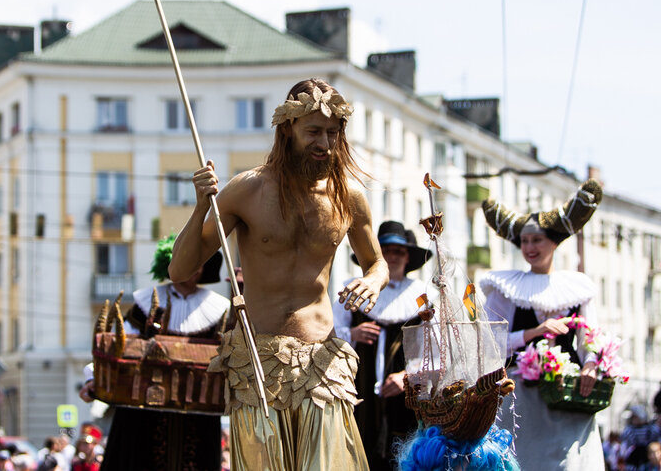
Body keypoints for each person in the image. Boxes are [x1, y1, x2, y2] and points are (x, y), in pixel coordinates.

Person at [170, 78, 389, 470]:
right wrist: (202, 206)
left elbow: (377, 261)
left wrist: (372, 280)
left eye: (333, 133)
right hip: (258, 361)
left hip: (322, 360)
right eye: (314, 132)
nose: (325, 143)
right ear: (287, 129)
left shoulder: (348, 197)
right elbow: (180, 269)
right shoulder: (248, 189)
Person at [480, 178, 605, 469]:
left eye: (537, 240)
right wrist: (534, 332)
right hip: (522, 399)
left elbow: (591, 337)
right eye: (524, 241)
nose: (530, 247)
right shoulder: (506, 287)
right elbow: (490, 342)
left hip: (568, 396)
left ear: (554, 241)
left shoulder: (577, 286)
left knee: (570, 461)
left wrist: (590, 365)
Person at [80, 235, 229, 471]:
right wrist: (93, 378)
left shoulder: (221, 309)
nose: (191, 267)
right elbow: (121, 346)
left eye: (196, 261)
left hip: (198, 411)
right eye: (184, 259)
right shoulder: (144, 303)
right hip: (143, 411)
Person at [332, 220, 431, 470]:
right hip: (358, 389)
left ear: (408, 257)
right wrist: (352, 332)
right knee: (360, 449)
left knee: (404, 451)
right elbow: (329, 334)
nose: (392, 257)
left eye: (398, 251)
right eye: (385, 250)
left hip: (406, 395)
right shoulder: (354, 288)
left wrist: (408, 377)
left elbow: (436, 350)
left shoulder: (423, 295)